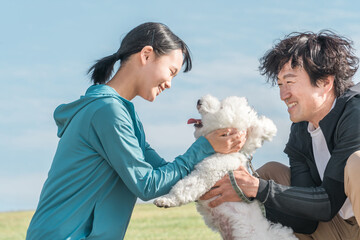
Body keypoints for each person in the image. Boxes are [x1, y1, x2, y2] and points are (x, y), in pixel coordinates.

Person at [26, 22, 246, 240]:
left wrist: (219, 152)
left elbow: (164, 173)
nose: (169, 84)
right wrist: (205, 146)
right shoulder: (106, 112)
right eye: (171, 71)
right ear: (147, 55)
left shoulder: (124, 116)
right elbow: (147, 184)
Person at [201, 30, 360, 239]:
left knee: (357, 162)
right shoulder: (301, 131)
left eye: (290, 82)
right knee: (270, 173)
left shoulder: (355, 112)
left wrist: (257, 188)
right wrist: (245, 193)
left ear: (325, 82)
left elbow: (328, 202)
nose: (283, 95)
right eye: (280, 84)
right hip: (340, 228)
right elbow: (306, 221)